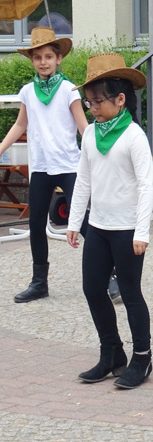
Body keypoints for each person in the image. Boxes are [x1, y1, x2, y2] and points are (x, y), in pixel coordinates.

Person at [66, 53, 153, 389]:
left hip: (127, 229)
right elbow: (84, 180)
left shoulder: (133, 136)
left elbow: (148, 185)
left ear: (120, 99)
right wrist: (75, 223)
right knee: (92, 289)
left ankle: (142, 359)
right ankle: (112, 353)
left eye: (98, 101)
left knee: (131, 293)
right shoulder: (90, 134)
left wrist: (142, 231)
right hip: (98, 227)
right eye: (88, 102)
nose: (92, 108)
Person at [0, 27, 92, 303]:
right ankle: (39, 282)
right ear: (32, 61)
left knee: (84, 222)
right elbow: (20, 124)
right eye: (37, 57)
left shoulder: (68, 90)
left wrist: (101, 153)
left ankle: (112, 274)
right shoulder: (27, 91)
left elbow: (83, 126)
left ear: (59, 58)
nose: (43, 62)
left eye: (48, 56)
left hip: (69, 166)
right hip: (41, 167)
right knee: (37, 224)